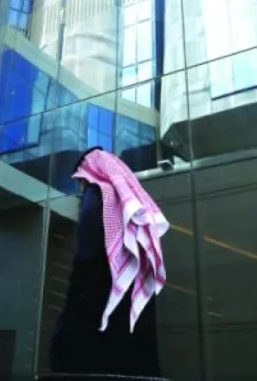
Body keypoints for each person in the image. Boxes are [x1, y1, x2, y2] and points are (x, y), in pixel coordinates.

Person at [50, 147, 169, 377]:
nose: (82, 185)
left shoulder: (97, 193)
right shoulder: (132, 201)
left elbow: (87, 254)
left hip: (99, 298)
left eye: (81, 180)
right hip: (132, 303)